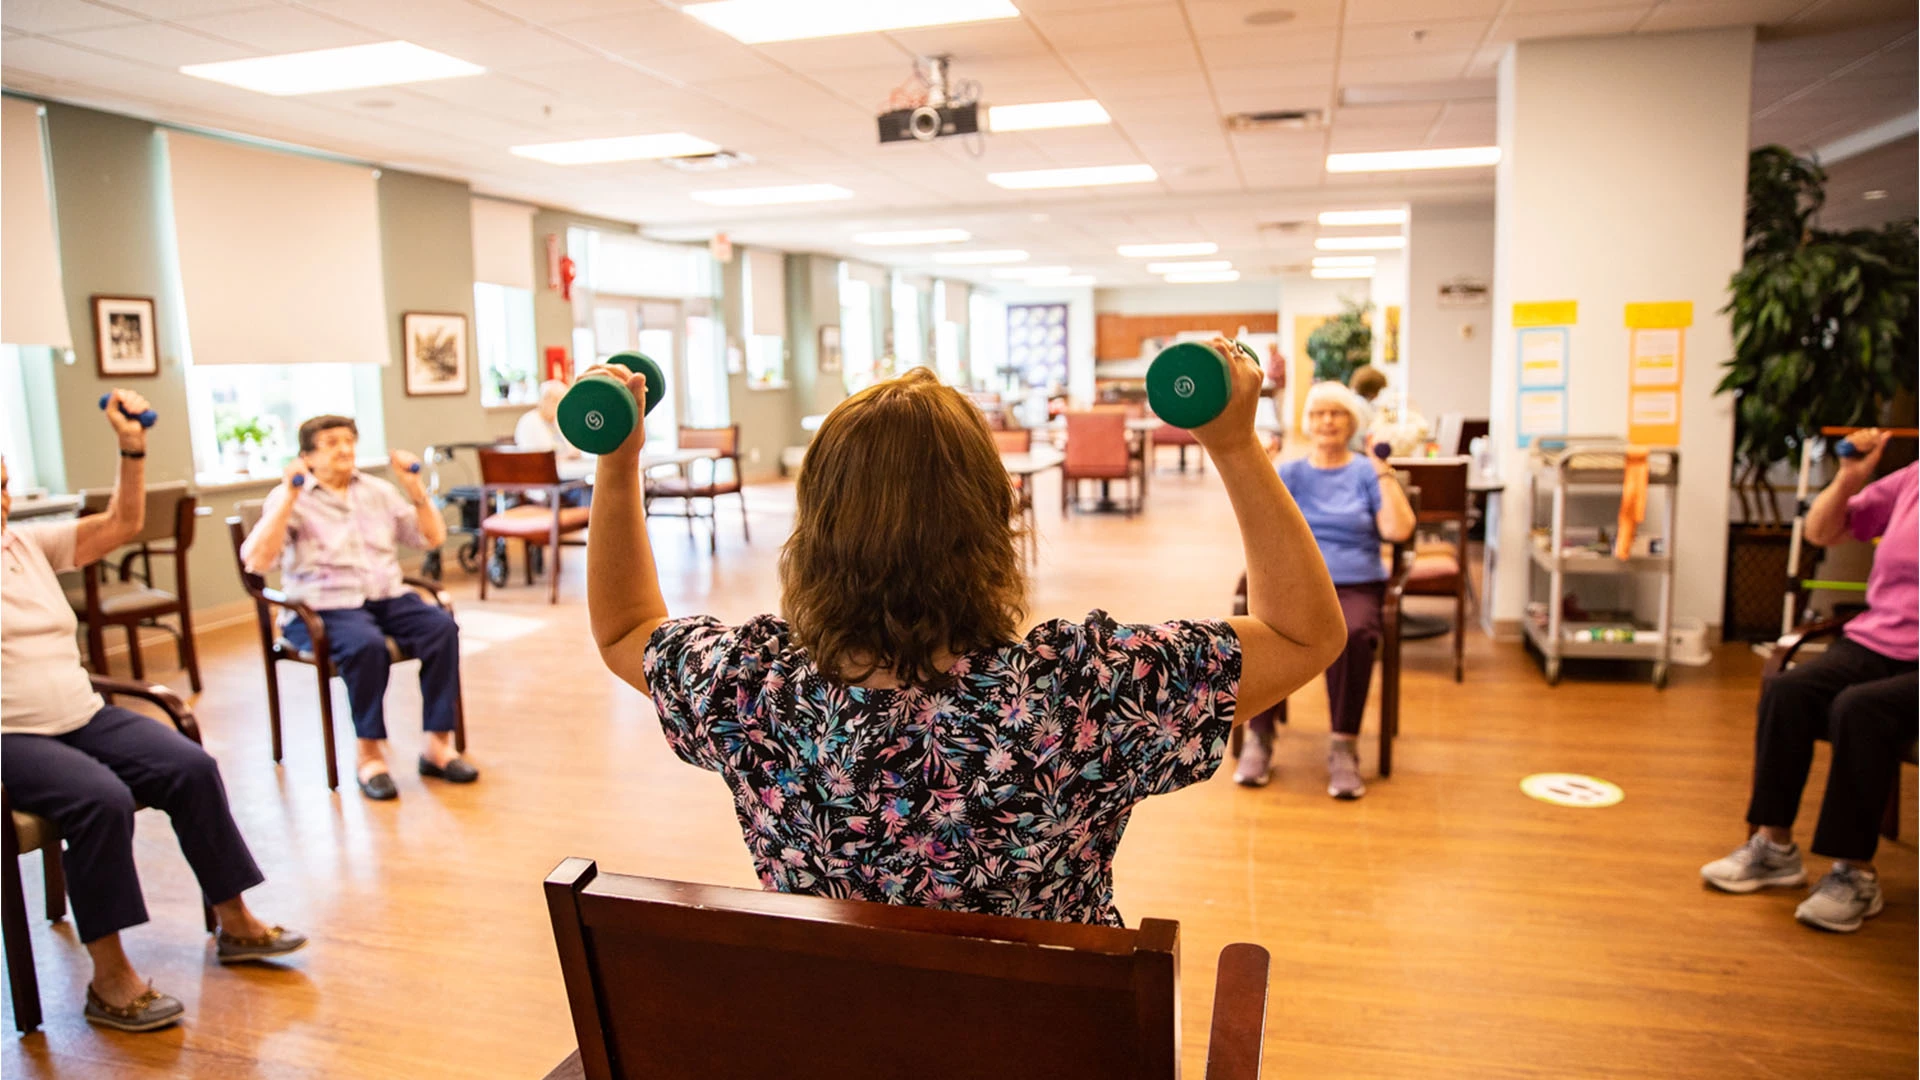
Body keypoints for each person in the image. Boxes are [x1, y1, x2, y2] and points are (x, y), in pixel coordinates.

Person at [586, 344, 1344, 926]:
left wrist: (616, 465)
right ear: (993, 519)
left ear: (813, 526)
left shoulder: (750, 690)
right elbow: (1304, 635)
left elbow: (626, 628)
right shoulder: (1084, 693)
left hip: (836, 1052)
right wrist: (1236, 446)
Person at [2, 391, 305, 1033]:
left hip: (81, 713)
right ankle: (110, 977)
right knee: (101, 801)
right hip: (11, 736)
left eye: (3, 486)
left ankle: (236, 924)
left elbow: (120, 524)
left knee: (190, 766)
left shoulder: (24, 545)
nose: (2, 502)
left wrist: (131, 447)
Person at [1701, 429, 1916, 932]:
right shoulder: (1912, 481)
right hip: (1878, 639)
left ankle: (1854, 873)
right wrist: (1848, 479)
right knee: (1788, 690)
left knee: (1860, 709)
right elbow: (1823, 532)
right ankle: (1775, 848)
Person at [240, 416, 475, 801]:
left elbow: (431, 537)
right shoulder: (291, 499)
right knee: (366, 646)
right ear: (306, 457)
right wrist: (288, 497)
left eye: (349, 440)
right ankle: (369, 757)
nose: (345, 449)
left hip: (384, 597)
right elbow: (256, 561)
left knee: (441, 627)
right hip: (321, 608)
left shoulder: (378, 491)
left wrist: (415, 489)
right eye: (331, 442)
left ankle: (437, 745)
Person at [1236, 381, 1416, 798]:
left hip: (1355, 583)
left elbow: (1397, 529)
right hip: (1295, 584)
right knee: (1259, 634)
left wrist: (1382, 469)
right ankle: (1260, 738)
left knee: (1353, 635)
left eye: (1336, 413)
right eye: (1318, 414)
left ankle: (1343, 746)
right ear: (1308, 423)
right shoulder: (1292, 473)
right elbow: (1260, 531)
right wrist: (1258, 474)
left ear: (1351, 422)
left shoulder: (1364, 471)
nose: (1327, 421)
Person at [513, 379, 579, 459]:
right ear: (543, 400)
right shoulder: (528, 421)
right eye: (554, 400)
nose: (558, 405)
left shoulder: (558, 421)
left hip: (569, 467)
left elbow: (574, 448)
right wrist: (563, 456)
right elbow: (533, 456)